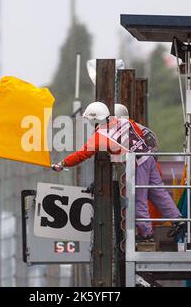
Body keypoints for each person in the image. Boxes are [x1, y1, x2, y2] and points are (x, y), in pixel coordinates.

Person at [52, 102, 182, 242]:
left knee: (138, 199)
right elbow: (140, 133)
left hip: (137, 164)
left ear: (95, 119)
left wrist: (62, 163)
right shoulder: (125, 121)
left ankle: (146, 234)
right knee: (158, 191)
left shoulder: (99, 137)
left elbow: (81, 154)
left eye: (89, 119)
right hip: (149, 158)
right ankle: (177, 219)